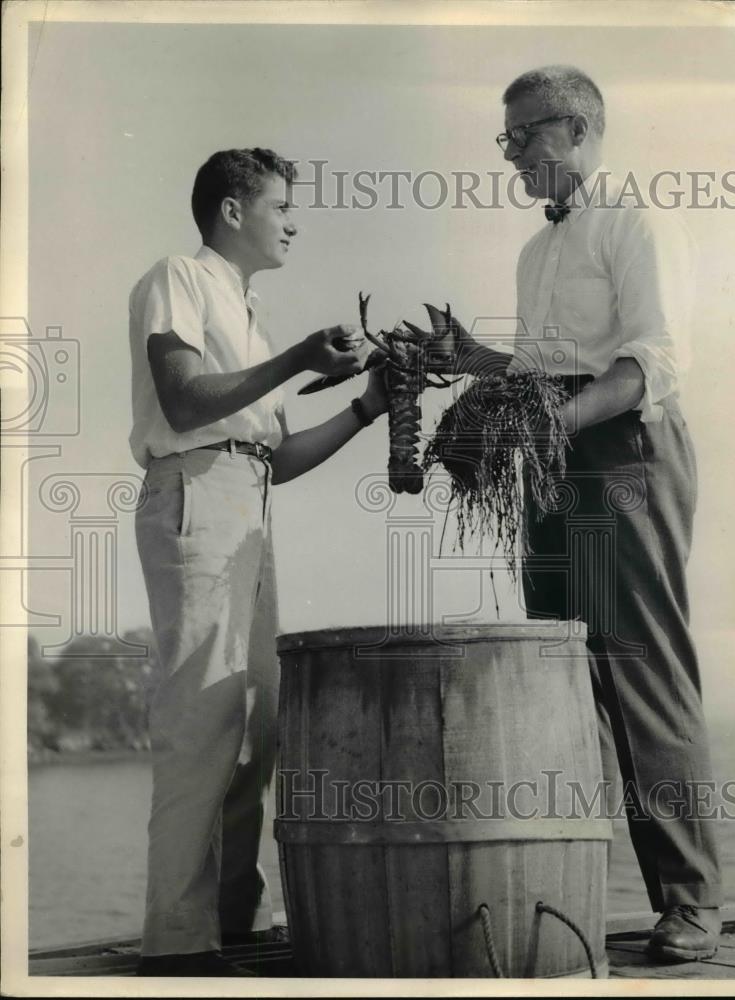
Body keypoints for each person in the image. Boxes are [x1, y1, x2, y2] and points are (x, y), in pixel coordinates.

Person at [438, 66, 723, 963]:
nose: (513, 154)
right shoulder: (535, 250)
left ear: (575, 129)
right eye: (508, 139)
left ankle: (692, 903)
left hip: (625, 452)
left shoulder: (637, 218)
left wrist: (556, 424)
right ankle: (577, 893)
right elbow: (539, 371)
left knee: (642, 666)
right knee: (567, 676)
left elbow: (655, 358)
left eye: (521, 135)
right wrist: (469, 356)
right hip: (554, 458)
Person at [128, 147, 387, 977]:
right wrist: (295, 361)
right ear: (233, 211)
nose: (293, 221)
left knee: (257, 724)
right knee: (203, 715)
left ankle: (233, 918)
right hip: (195, 491)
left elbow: (275, 455)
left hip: (248, 498)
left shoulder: (251, 310)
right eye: (281, 205)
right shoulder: (180, 275)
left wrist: (367, 406)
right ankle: (174, 943)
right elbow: (182, 398)